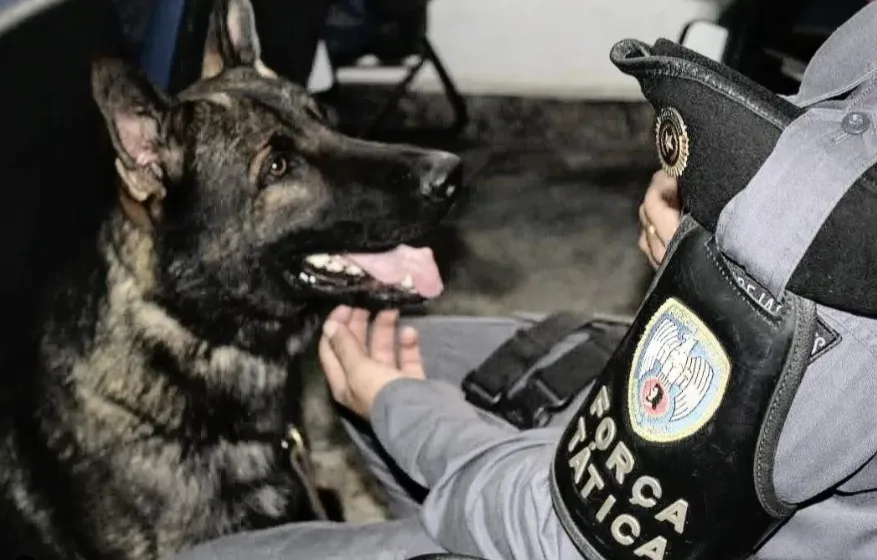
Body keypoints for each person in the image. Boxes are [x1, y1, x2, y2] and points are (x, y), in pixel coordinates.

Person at [168, 2, 877, 559]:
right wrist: (712, 238)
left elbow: (560, 534)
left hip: (614, 530)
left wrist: (396, 405)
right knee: (421, 349)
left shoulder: (843, 229)